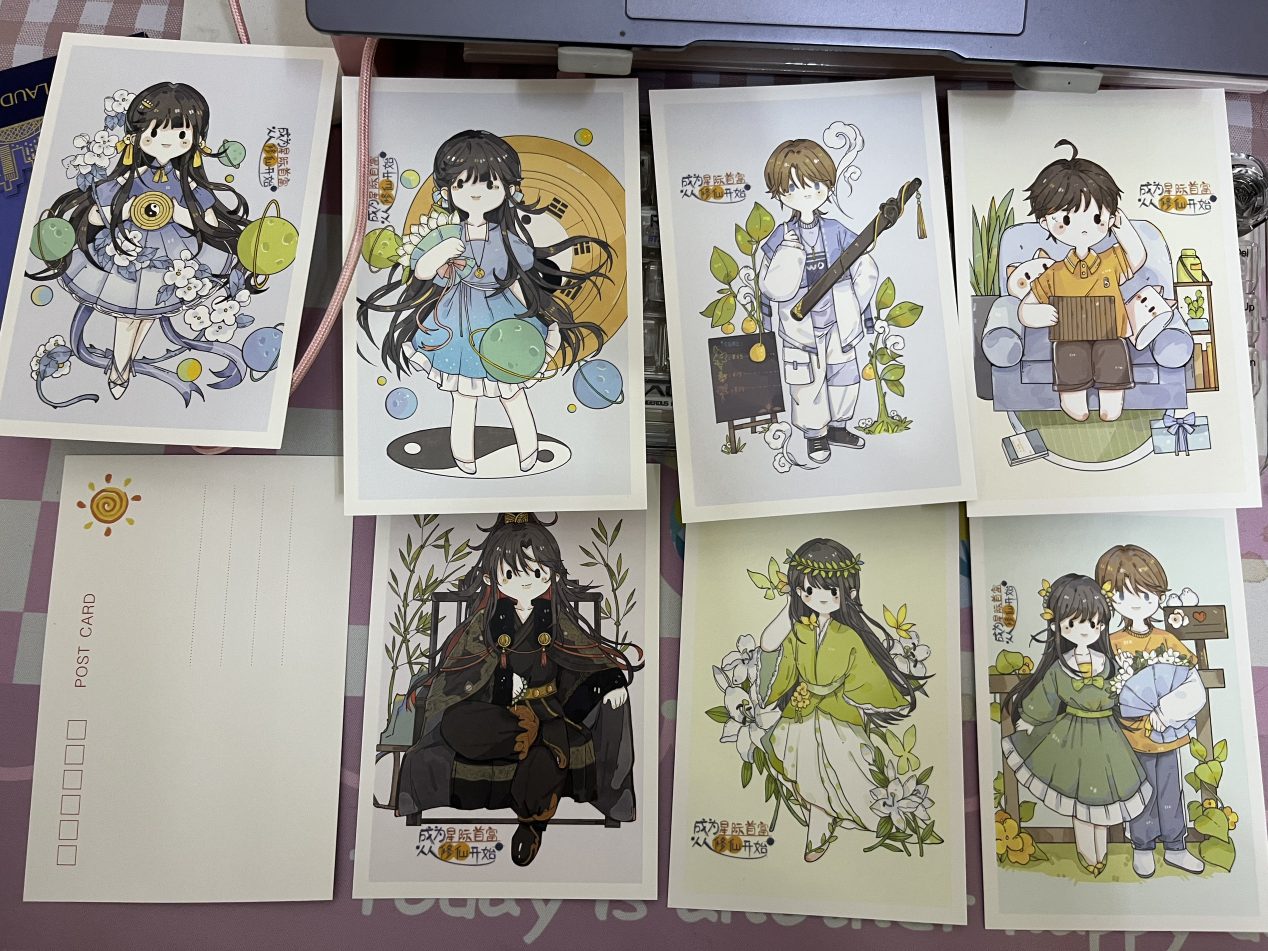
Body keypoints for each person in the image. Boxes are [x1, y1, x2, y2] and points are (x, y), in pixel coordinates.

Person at [357, 130, 611, 474]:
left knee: (512, 390)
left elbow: (516, 282)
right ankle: (464, 458)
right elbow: (423, 271)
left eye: (489, 184)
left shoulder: (506, 240)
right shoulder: (445, 236)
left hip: (502, 320)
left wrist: (536, 315)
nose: (476, 192)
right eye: (463, 184)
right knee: (464, 396)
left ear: (507, 189)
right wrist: (439, 253)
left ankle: (528, 452)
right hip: (457, 323)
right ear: (448, 191)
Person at [396, 513, 640, 867]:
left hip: (548, 711)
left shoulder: (555, 618)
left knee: (544, 754)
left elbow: (586, 655)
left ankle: (532, 824)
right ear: (490, 577)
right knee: (456, 722)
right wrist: (501, 684)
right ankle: (523, 736)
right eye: (511, 573)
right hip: (495, 711)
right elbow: (459, 673)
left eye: (537, 572)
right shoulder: (485, 621)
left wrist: (609, 681)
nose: (526, 581)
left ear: (552, 573)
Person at [29, 81, 255, 404]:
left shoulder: (187, 184)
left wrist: (176, 212)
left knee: (148, 311)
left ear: (195, 140)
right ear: (137, 136)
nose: (168, 142)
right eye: (155, 133)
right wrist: (124, 211)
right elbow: (95, 215)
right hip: (126, 251)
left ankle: (122, 364)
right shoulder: (130, 178)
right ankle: (120, 366)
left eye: (181, 134)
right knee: (128, 314)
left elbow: (210, 223)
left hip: (173, 256)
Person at [758, 537, 923, 861]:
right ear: (800, 592)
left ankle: (827, 820)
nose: (820, 598)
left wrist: (864, 698)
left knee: (845, 766)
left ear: (848, 593)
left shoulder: (849, 636)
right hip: (801, 712)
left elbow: (864, 675)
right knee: (799, 761)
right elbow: (771, 648)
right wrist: (789, 604)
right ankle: (820, 820)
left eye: (831, 590)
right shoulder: (800, 630)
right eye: (809, 590)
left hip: (838, 712)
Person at [1001, 573, 1150, 876]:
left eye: (1092, 623)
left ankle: (1101, 852)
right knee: (1080, 802)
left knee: (1102, 800)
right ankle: (1087, 854)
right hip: (1071, 739)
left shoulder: (1110, 665)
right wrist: (1029, 720)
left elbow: (1124, 696)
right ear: (1057, 625)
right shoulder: (1061, 667)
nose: (1084, 630)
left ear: (1102, 625)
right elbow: (1046, 696)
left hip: (1108, 740)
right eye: (1072, 623)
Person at [758, 139, 878, 464]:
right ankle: (815, 435)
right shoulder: (782, 235)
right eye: (792, 187)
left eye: (814, 184)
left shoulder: (836, 229)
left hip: (837, 320)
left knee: (844, 377)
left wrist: (855, 303)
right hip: (799, 328)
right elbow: (768, 284)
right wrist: (788, 256)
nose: (806, 193)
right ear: (780, 193)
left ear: (827, 185)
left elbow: (863, 262)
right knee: (806, 383)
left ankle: (838, 427)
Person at [1016, 139, 1147, 423]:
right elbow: (1026, 307)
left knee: (1113, 356)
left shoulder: (1111, 261)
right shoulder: (1054, 273)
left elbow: (1137, 256)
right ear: (1046, 222)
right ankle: (1072, 398)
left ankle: (1111, 399)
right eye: (1066, 219)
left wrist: (1124, 228)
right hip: (1069, 336)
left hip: (1110, 333)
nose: (1085, 228)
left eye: (1097, 217)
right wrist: (1036, 314)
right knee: (1069, 358)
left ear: (1110, 217)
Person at [1096, 544, 1206, 878]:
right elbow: (1103, 688)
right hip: (1129, 737)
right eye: (1124, 594)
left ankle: (1176, 846)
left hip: (1166, 734)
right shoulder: (1111, 643)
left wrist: (1166, 711)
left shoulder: (1167, 640)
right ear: (1111, 599)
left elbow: (1190, 682)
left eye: (1146, 594)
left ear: (1158, 595)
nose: (1137, 602)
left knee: (1170, 790)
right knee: (1139, 793)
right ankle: (1142, 846)